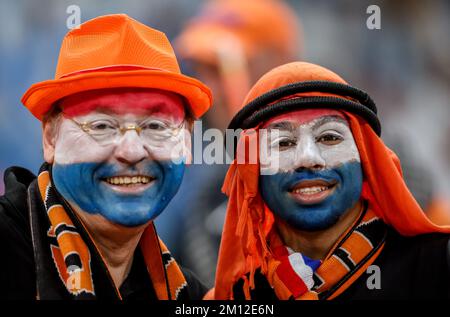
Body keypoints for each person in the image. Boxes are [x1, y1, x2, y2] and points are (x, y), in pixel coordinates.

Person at [0, 14, 212, 300]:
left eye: (155, 126)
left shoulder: (189, 295)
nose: (132, 151)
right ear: (51, 138)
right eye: (102, 126)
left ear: (186, 141)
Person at [210, 62, 450, 300]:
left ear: (366, 158)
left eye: (329, 137)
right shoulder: (239, 297)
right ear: (253, 175)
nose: (308, 158)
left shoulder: (437, 267)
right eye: (283, 143)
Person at [156, 0, 302, 286]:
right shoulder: (204, 195)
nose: (209, 92)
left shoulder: (362, 169)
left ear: (278, 66)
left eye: (223, 69)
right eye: (202, 71)